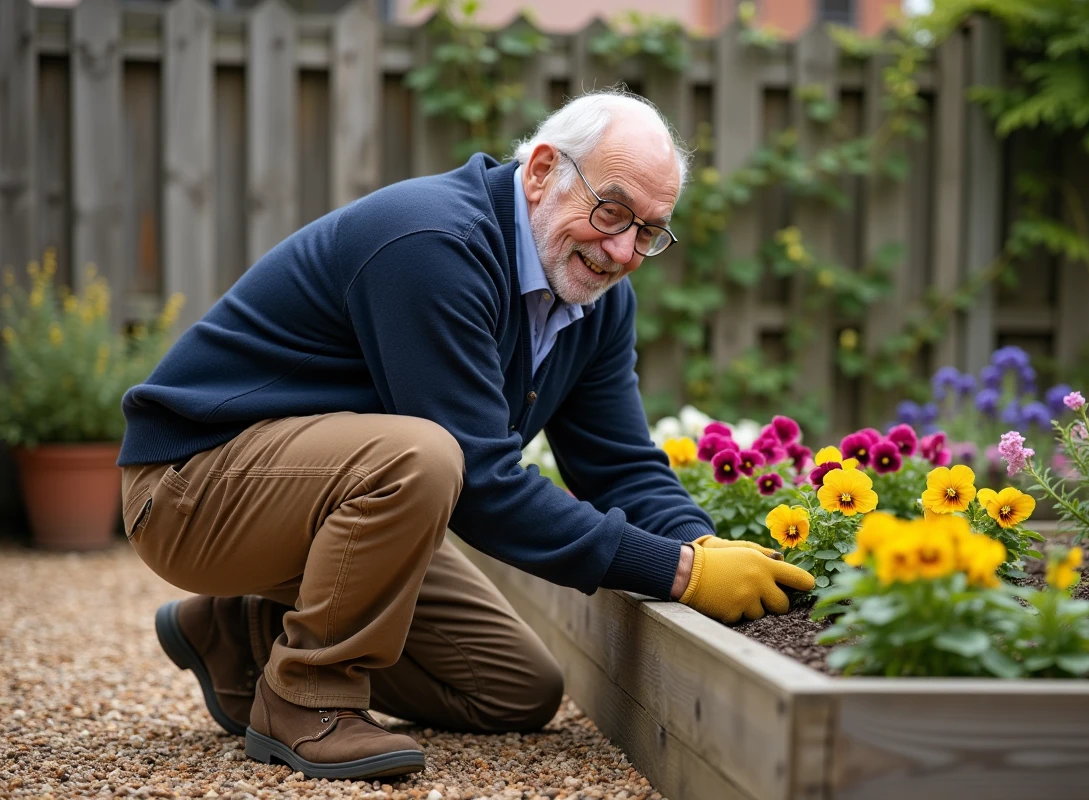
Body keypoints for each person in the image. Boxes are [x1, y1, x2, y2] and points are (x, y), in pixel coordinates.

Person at [117, 90, 815, 781]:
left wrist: (704, 543)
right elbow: (480, 482)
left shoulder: (599, 302)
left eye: (650, 230)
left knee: (513, 688)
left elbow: (620, 464)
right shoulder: (433, 244)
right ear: (542, 171)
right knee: (423, 456)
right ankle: (308, 699)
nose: (623, 249)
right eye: (612, 210)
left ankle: (236, 634)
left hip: (310, 502)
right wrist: (682, 575)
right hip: (190, 488)